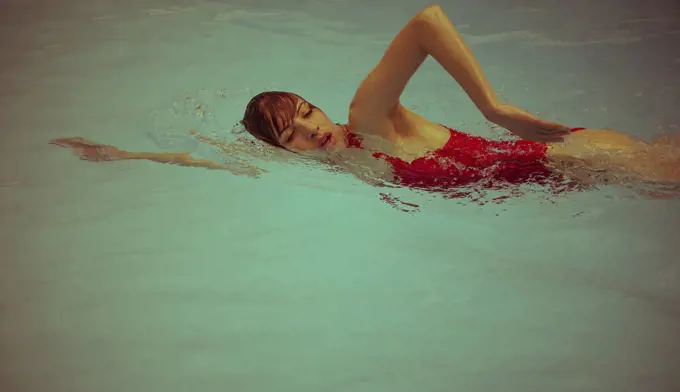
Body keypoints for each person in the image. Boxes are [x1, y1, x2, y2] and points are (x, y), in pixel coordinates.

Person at [51, 5, 680, 193]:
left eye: (305, 114)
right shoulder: (329, 162)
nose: (309, 132)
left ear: (319, 107)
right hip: (569, 184)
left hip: (575, 162)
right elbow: (213, 161)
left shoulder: (366, 118)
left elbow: (427, 22)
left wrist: (493, 109)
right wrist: (120, 155)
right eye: (291, 135)